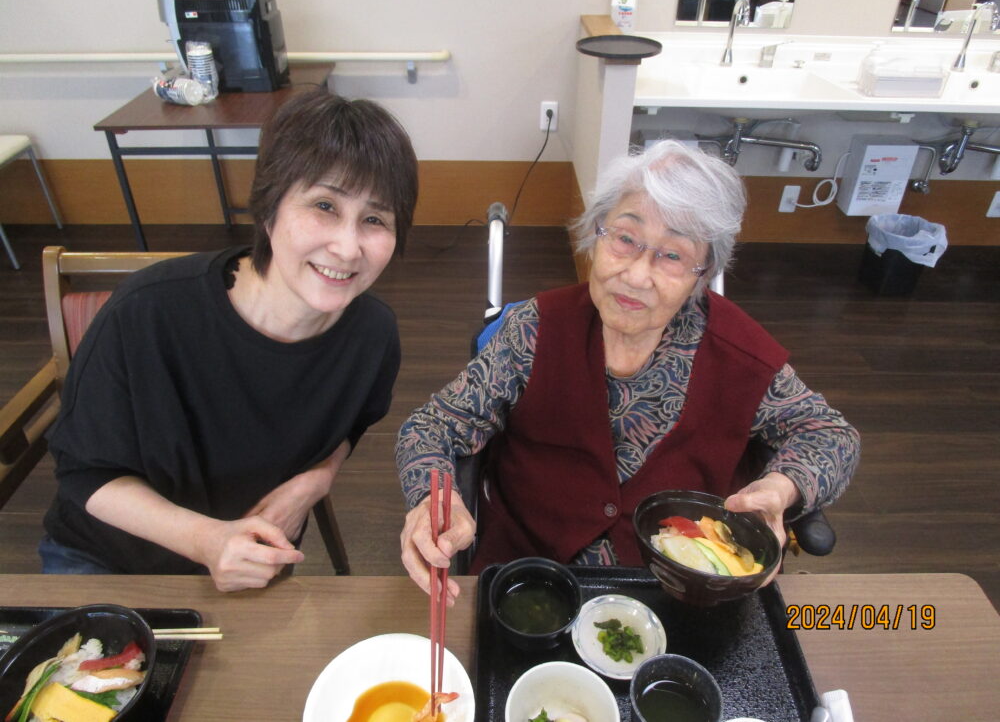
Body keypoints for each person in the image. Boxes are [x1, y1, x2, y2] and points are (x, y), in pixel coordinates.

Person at [397, 140, 859, 604]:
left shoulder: (741, 356)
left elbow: (831, 436)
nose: (637, 275)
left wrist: (781, 487)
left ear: (703, 272)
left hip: (678, 588)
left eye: (672, 255)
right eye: (624, 238)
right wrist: (433, 500)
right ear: (596, 235)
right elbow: (432, 427)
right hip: (530, 579)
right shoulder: (533, 331)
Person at [41, 88, 418, 591]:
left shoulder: (373, 336)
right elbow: (83, 474)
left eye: (374, 219)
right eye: (324, 205)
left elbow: (351, 426)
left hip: (253, 562)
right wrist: (206, 542)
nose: (347, 247)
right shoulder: (147, 313)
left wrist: (319, 477)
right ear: (269, 209)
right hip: (109, 562)